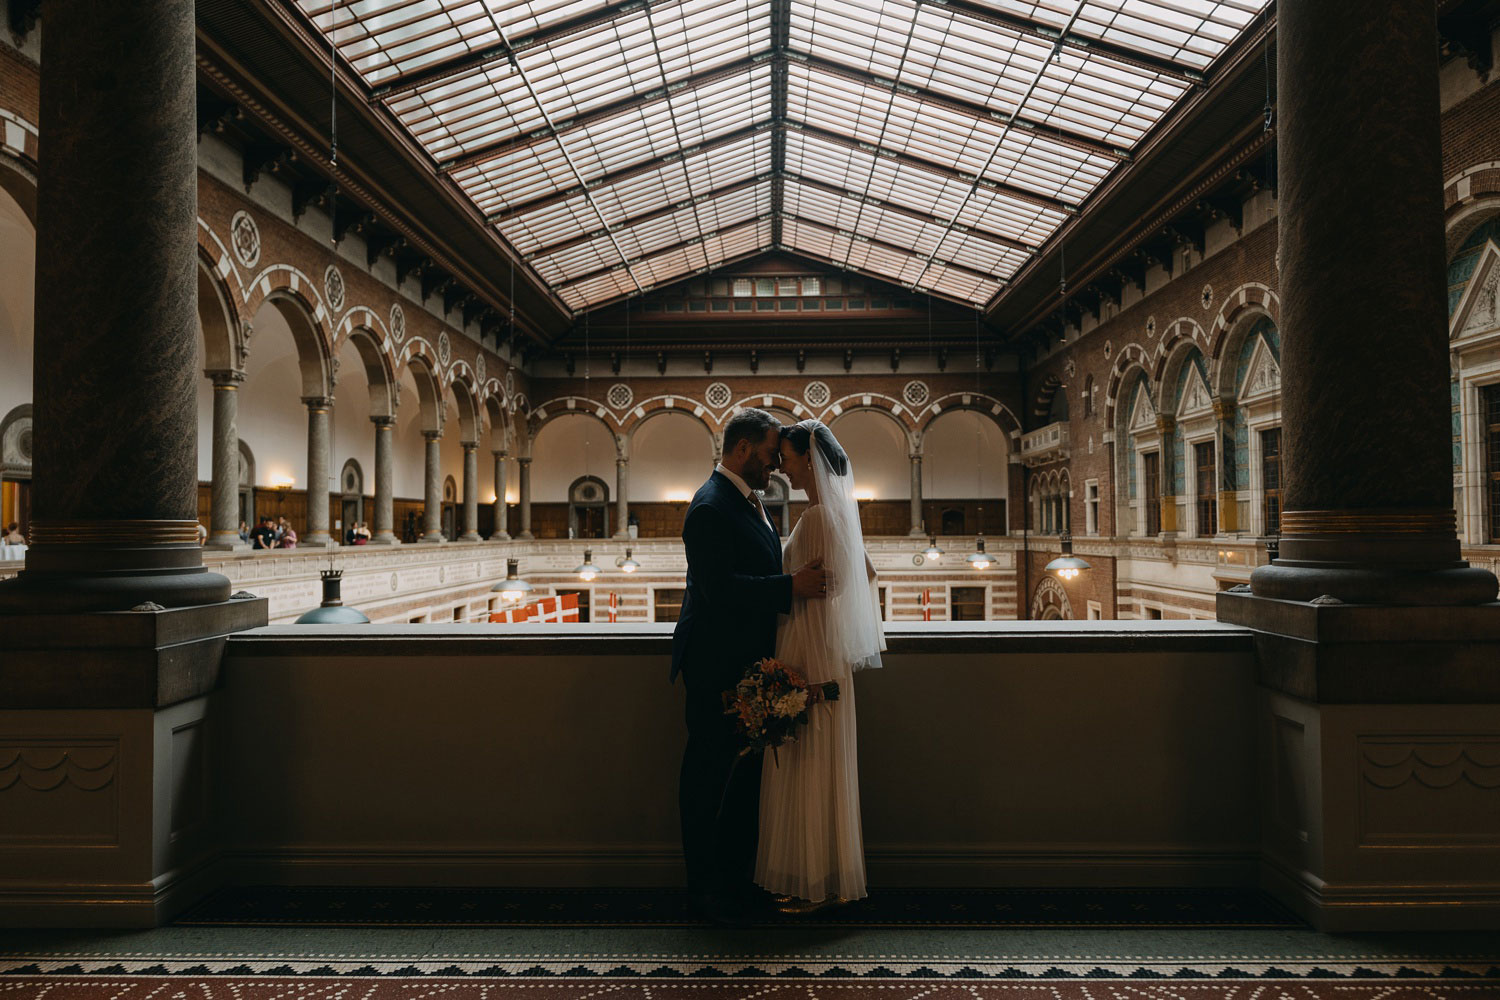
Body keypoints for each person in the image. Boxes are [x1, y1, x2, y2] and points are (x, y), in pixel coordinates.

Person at [672, 407, 828, 926]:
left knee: (743, 781)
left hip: (747, 665)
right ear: (741, 451)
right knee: (707, 778)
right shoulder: (710, 507)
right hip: (716, 666)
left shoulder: (748, 500)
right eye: (767, 455)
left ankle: (734, 879)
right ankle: (702, 891)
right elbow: (718, 593)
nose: (775, 467)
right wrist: (791, 588)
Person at [755, 419, 884, 912]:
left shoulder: (815, 520)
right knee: (823, 763)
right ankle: (825, 877)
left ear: (808, 460)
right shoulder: (835, 515)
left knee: (807, 763)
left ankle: (809, 881)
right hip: (826, 649)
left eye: (785, 456)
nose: (780, 464)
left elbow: (800, 582)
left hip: (807, 652)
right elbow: (868, 573)